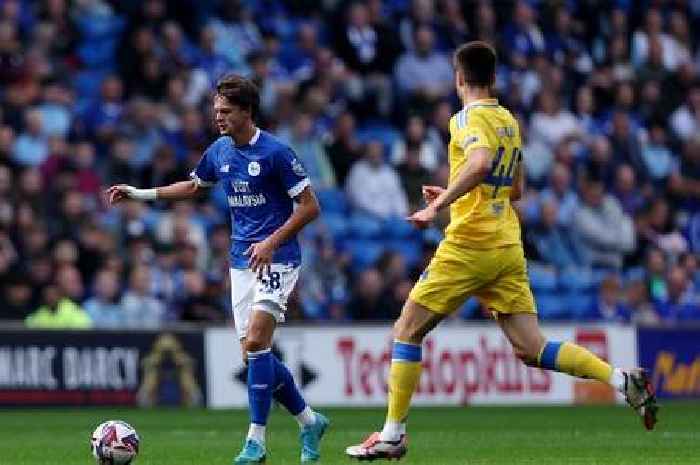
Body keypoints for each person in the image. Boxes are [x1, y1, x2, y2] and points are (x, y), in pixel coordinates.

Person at [346, 41, 658, 461]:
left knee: (406, 330)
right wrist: (455, 194)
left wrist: (438, 205)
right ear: (492, 78)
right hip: (507, 245)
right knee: (532, 347)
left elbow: (479, 164)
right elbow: (516, 189)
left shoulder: (466, 118)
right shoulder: (508, 120)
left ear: (459, 78)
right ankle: (623, 380)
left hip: (471, 244)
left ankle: (392, 434)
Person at [107, 75, 328, 464]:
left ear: (247, 112)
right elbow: (194, 187)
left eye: (226, 112)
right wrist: (138, 194)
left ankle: (255, 442)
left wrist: (272, 241)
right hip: (242, 261)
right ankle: (309, 421)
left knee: (258, 342)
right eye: (215, 111)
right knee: (253, 355)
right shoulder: (220, 151)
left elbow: (310, 207)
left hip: (277, 258)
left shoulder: (277, 153)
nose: (218, 118)